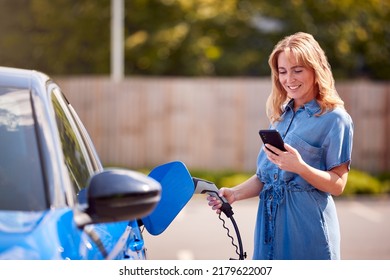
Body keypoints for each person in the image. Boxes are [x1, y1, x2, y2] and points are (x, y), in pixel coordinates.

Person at [208, 32, 354, 260]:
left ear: (315, 70)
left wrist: (300, 167)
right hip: (268, 227)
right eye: (283, 71)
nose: (289, 79)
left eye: (297, 70)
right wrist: (234, 194)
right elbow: (265, 177)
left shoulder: (335, 119)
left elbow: (338, 185)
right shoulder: (280, 117)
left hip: (307, 229)